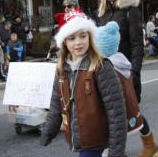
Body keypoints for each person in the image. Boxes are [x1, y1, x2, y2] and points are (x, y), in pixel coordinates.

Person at [40, 14, 127, 157]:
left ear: (90, 37)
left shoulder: (101, 66)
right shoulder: (62, 68)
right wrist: (48, 132)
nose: (78, 42)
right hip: (78, 138)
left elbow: (116, 112)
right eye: (72, 38)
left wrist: (116, 150)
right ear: (64, 42)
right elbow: (56, 104)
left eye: (83, 36)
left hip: (96, 139)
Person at [97, 0, 158, 157]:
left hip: (125, 71)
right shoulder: (104, 13)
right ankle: (115, 151)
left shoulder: (131, 12)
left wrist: (134, 72)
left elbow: (136, 45)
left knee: (131, 112)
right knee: (111, 113)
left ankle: (149, 143)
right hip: (106, 70)